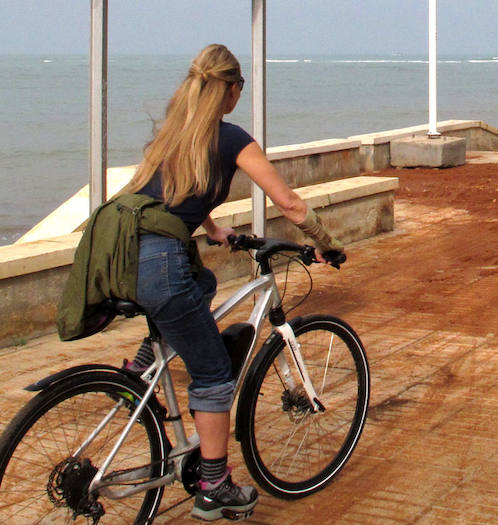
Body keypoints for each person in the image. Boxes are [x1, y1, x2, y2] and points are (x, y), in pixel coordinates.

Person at [78, 44, 342, 521]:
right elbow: (289, 203)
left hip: (119, 252)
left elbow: (175, 196)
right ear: (232, 89)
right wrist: (324, 241)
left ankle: (141, 371)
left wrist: (216, 231)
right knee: (215, 374)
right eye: (239, 88)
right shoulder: (230, 137)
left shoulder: (175, 134)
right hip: (159, 260)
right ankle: (214, 487)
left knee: (199, 283)